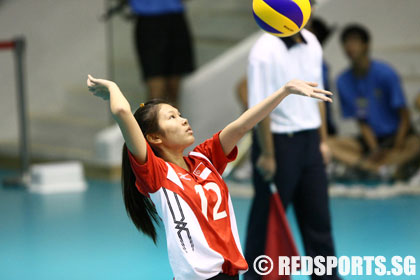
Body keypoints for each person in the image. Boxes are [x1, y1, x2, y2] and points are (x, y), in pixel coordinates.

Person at [86, 75, 332, 280]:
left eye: (180, 114)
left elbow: (242, 125)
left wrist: (284, 91)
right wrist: (112, 88)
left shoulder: (204, 159)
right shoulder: (156, 174)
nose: (183, 120)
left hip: (230, 272)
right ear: (154, 138)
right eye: (171, 117)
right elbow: (121, 110)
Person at [244, 27, 341, 280]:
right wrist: (267, 153)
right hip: (278, 143)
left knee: (319, 219)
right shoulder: (263, 51)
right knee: (266, 219)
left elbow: (317, 94)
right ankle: (255, 277)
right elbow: (259, 106)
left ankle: (327, 277)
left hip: (310, 141)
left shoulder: (311, 41)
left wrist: (323, 141)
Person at [330, 24, 420, 177]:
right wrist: (375, 150)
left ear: (366, 45)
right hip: (370, 140)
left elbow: (404, 116)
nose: (349, 47)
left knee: (416, 144)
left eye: (354, 41)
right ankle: (378, 169)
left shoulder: (385, 73)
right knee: (327, 144)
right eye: (346, 43)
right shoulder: (342, 81)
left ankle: (381, 166)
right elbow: (362, 121)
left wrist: (396, 148)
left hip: (398, 136)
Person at [104, 0, 195, 107]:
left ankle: (168, 121)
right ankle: (151, 121)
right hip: (149, 21)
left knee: (173, 89)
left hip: (175, 19)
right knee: (156, 91)